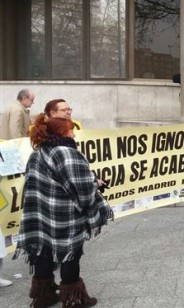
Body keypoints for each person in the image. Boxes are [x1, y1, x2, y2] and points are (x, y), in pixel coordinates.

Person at [15, 116, 112, 307]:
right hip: (64, 214)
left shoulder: (37, 153)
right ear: (62, 132)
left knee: (43, 251)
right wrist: (94, 189)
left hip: (40, 213)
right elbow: (82, 188)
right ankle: (73, 298)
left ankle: (44, 296)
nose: (74, 133)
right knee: (70, 253)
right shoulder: (67, 153)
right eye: (71, 130)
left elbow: (30, 182)